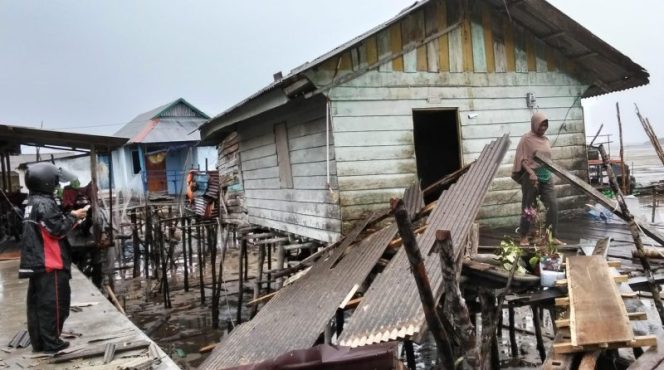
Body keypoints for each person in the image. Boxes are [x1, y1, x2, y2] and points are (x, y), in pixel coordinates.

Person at [19, 163, 87, 353]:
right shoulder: (45, 203)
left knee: (37, 304)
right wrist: (75, 217)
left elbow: (48, 224)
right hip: (51, 262)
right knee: (55, 304)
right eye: (55, 181)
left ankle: (40, 342)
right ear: (47, 181)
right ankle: (52, 343)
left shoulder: (31, 202)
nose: (57, 184)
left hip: (36, 261)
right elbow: (57, 230)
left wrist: (70, 215)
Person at [512, 112, 565, 247]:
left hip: (546, 176)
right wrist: (531, 173)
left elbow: (547, 159)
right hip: (531, 178)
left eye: (545, 125)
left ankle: (551, 237)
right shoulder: (526, 139)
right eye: (541, 125)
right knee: (529, 207)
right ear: (535, 124)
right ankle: (524, 236)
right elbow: (521, 159)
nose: (543, 128)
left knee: (552, 205)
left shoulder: (546, 140)